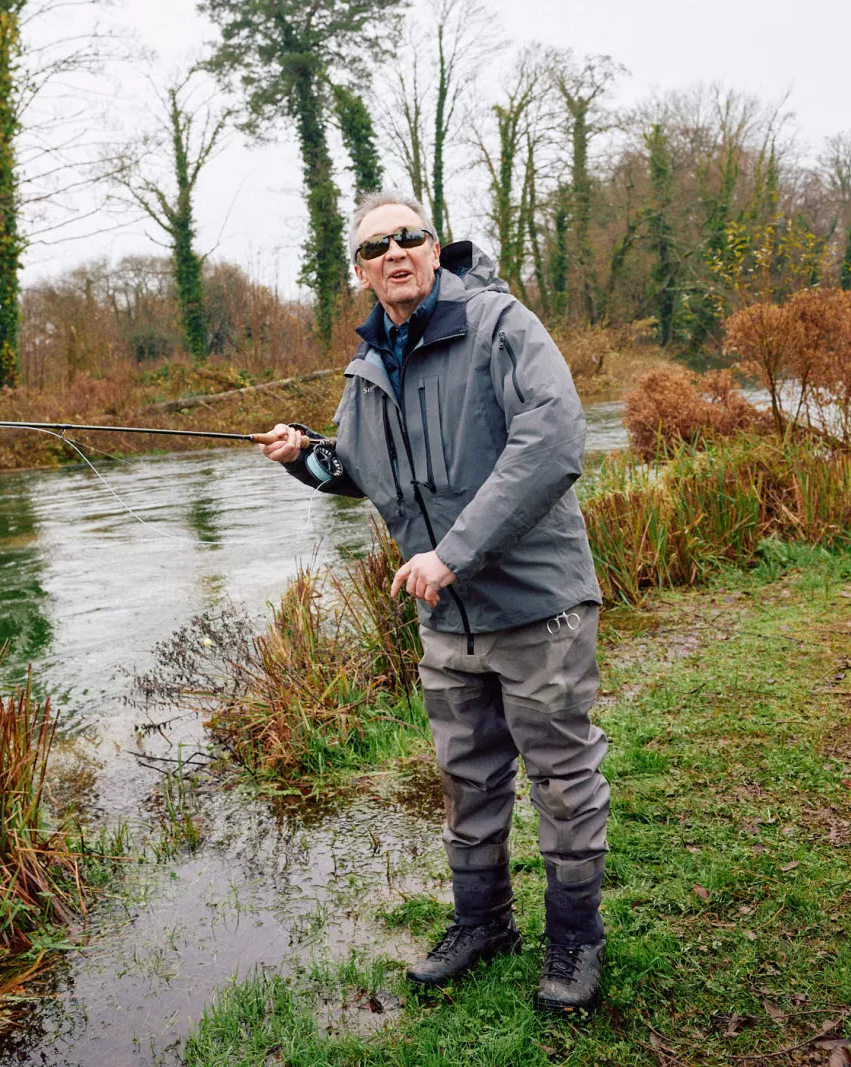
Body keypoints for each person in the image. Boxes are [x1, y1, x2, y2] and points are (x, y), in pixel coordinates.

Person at [255, 192, 609, 1012]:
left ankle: (574, 941)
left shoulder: (500, 325)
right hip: (448, 621)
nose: (395, 254)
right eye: (376, 247)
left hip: (535, 606)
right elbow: (361, 469)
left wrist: (452, 553)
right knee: (468, 779)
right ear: (360, 270)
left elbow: (553, 441)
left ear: (434, 244)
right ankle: (483, 924)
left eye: (409, 237)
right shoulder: (368, 367)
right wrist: (304, 457)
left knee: (560, 779)